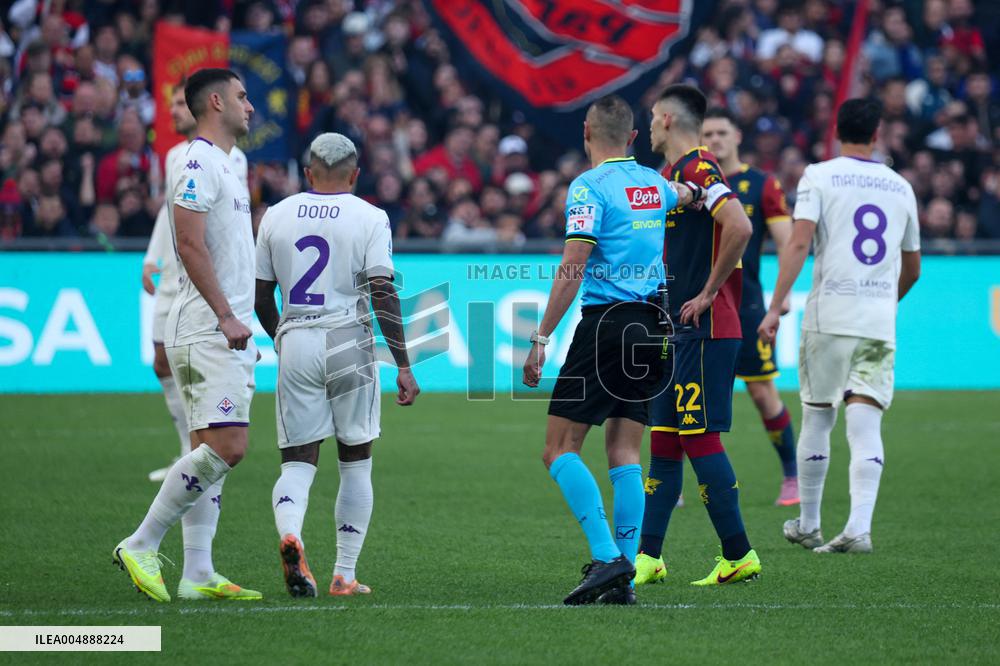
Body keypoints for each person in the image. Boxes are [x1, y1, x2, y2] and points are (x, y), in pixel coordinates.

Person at [521, 94, 703, 605]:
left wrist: (540, 338)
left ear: (586, 132)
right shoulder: (653, 183)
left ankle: (607, 558)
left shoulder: (589, 186)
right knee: (625, 452)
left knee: (558, 448)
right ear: (631, 138)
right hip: (654, 328)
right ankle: (621, 577)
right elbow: (686, 194)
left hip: (607, 326)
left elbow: (575, 261)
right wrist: (700, 190)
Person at [114, 68, 260, 602]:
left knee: (207, 449)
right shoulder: (197, 160)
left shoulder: (226, 164)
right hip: (205, 328)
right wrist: (224, 314)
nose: (251, 105)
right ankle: (141, 542)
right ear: (216, 102)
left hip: (224, 328)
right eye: (243, 97)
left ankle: (197, 573)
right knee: (229, 446)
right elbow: (190, 243)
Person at [255, 133, 420, 598]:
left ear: (307, 173)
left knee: (298, 461)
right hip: (349, 336)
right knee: (356, 461)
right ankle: (343, 573)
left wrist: (282, 338)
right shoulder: (371, 217)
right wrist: (403, 364)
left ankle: (292, 534)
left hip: (297, 335)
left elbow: (259, 295)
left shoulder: (276, 215)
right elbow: (383, 291)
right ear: (355, 175)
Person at [759, 98, 921, 554]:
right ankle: (859, 527)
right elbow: (913, 268)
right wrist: (885, 303)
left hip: (831, 313)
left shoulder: (820, 175)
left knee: (818, 413)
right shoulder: (900, 186)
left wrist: (775, 307)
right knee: (866, 419)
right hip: (877, 320)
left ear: (836, 131)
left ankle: (809, 522)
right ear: (876, 135)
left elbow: (799, 242)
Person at [637, 84, 761, 587]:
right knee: (664, 439)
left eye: (650, 117)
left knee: (697, 435)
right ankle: (649, 556)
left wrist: (710, 291)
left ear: (666, 119)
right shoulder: (671, 176)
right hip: (676, 327)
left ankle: (738, 553)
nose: (647, 126)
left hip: (706, 326)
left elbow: (739, 226)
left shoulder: (698, 168)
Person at [143, 82, 249, 483]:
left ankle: (193, 453)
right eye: (169, 103)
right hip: (178, 272)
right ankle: (186, 450)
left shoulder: (227, 158)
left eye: (178, 104)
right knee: (161, 361)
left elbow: (216, 221)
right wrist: (153, 257)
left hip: (201, 281)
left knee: (185, 370)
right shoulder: (178, 157)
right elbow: (172, 213)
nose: (173, 111)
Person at [701, 107, 800, 506]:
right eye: (707, 132)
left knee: (762, 393)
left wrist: (782, 295)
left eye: (722, 132)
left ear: (737, 135)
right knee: (687, 394)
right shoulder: (690, 180)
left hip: (746, 304)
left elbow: (788, 243)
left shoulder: (762, 184)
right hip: (697, 303)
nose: (715, 139)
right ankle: (672, 482)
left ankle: (792, 476)